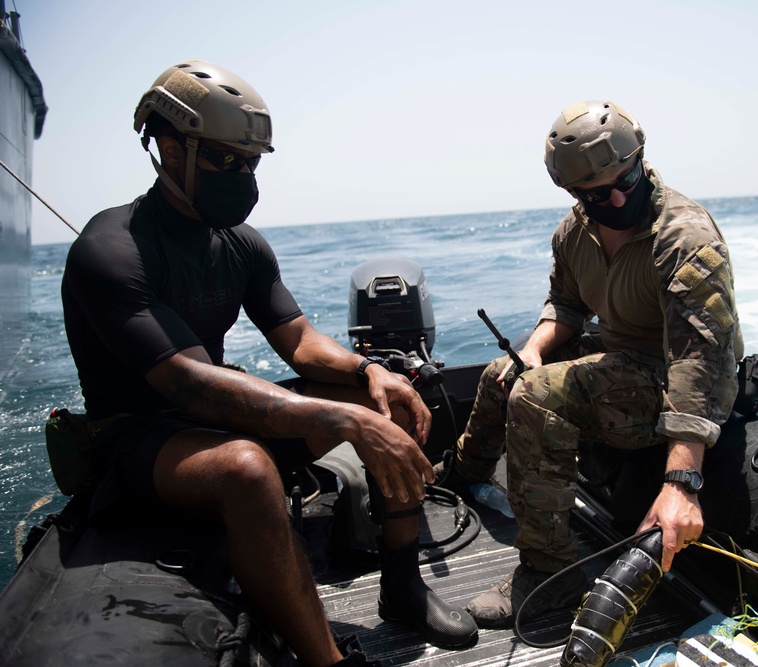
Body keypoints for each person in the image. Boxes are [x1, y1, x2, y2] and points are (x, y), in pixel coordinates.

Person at [60, 60, 477, 665]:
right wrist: (339, 423)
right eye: (224, 160)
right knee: (247, 469)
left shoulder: (240, 243)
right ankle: (325, 659)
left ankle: (402, 585)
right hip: (137, 438)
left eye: (250, 163)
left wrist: (369, 375)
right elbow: (186, 384)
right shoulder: (110, 249)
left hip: (215, 415)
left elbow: (299, 338)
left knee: (381, 402)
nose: (241, 176)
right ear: (171, 150)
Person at [439, 100, 743, 628]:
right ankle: (462, 475)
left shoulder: (685, 238)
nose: (620, 197)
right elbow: (567, 305)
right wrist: (533, 349)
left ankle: (549, 574)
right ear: (575, 194)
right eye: (599, 194)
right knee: (503, 374)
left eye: (627, 178)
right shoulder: (574, 233)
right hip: (618, 356)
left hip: (668, 374)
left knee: (536, 397)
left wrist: (682, 481)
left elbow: (700, 362)